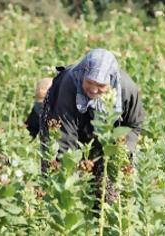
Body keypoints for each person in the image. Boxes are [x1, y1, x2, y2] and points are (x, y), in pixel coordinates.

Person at [39, 48, 144, 202]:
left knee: (109, 189)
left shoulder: (127, 89)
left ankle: (101, 214)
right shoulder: (69, 85)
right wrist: (68, 179)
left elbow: (134, 124)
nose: (94, 89)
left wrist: (120, 153)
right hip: (62, 120)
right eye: (89, 82)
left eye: (101, 85)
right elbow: (63, 138)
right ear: (82, 74)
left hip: (105, 129)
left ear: (111, 80)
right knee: (59, 184)